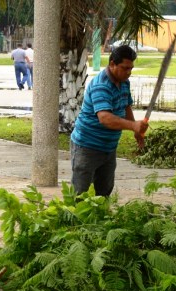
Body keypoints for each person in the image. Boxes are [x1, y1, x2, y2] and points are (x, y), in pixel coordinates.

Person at [70, 45, 148, 197]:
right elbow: (105, 118)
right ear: (112, 64)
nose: (129, 72)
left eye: (131, 68)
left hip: (109, 148)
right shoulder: (101, 85)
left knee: (104, 191)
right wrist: (133, 125)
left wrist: (136, 131)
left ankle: (100, 219)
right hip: (87, 146)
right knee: (80, 195)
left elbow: (126, 106)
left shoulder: (124, 82)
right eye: (125, 68)